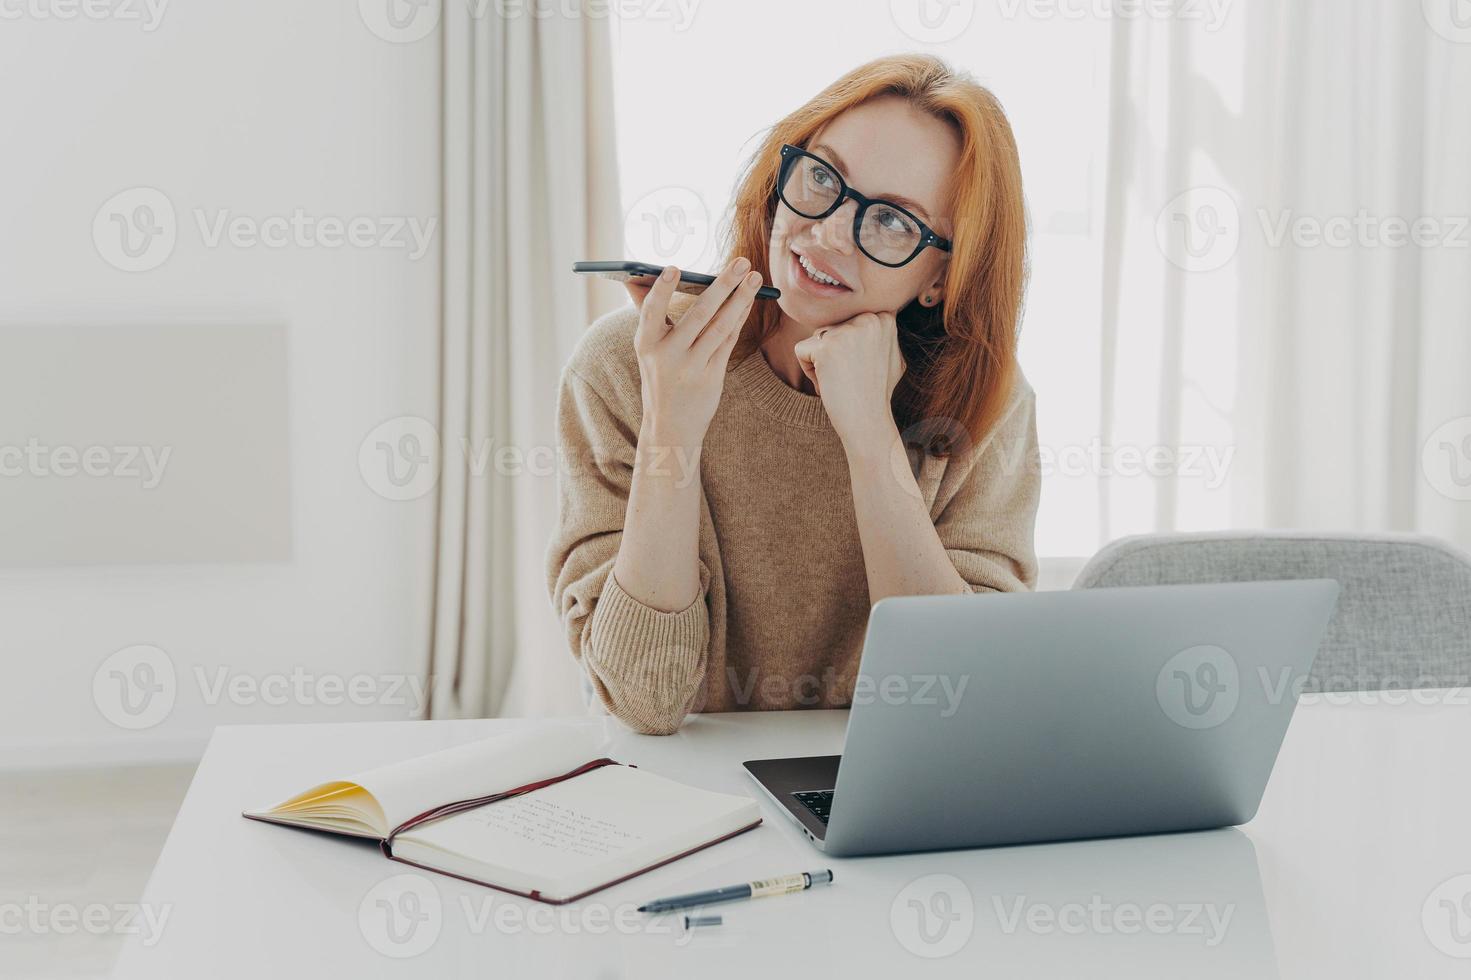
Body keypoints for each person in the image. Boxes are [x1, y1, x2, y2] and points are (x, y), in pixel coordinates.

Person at [547, 53, 1040, 735]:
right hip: (685, 802)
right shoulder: (624, 366)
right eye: (821, 177)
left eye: (893, 222)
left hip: (892, 789)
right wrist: (672, 427)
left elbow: (953, 703)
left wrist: (868, 435)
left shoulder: (986, 405)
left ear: (939, 278)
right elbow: (645, 699)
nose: (830, 230)